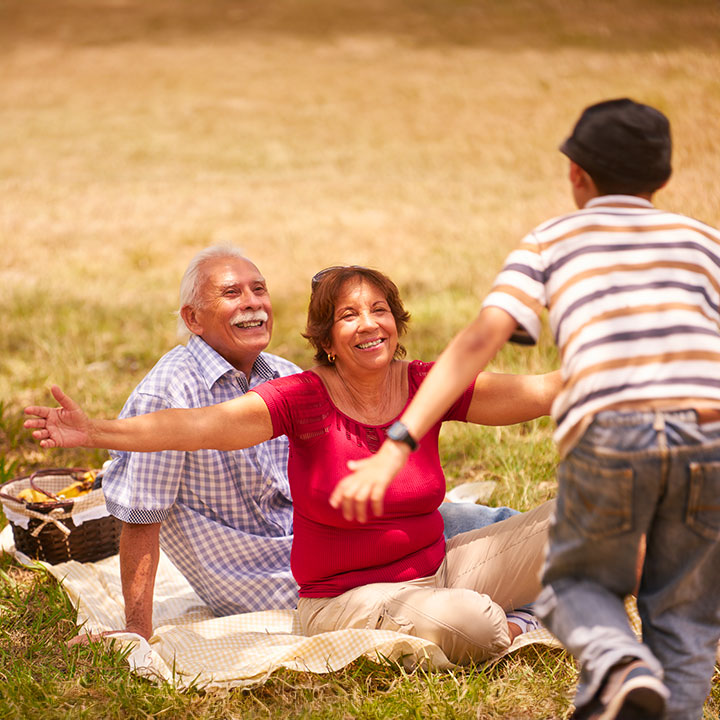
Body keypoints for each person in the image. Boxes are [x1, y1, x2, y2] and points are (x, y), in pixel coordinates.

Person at [333, 99, 720, 719]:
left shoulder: (554, 238)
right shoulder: (706, 242)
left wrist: (399, 439)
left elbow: (478, 342)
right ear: (665, 178)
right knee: (686, 621)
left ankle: (619, 664)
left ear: (576, 174)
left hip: (614, 444)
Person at [25, 265, 560, 664]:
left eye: (379, 310)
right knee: (472, 623)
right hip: (347, 597)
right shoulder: (300, 395)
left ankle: (521, 596)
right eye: (349, 315)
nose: (369, 324)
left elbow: (534, 391)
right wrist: (95, 430)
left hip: (438, 565)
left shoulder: (425, 384)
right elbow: (199, 425)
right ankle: (518, 620)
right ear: (326, 338)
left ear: (397, 322)